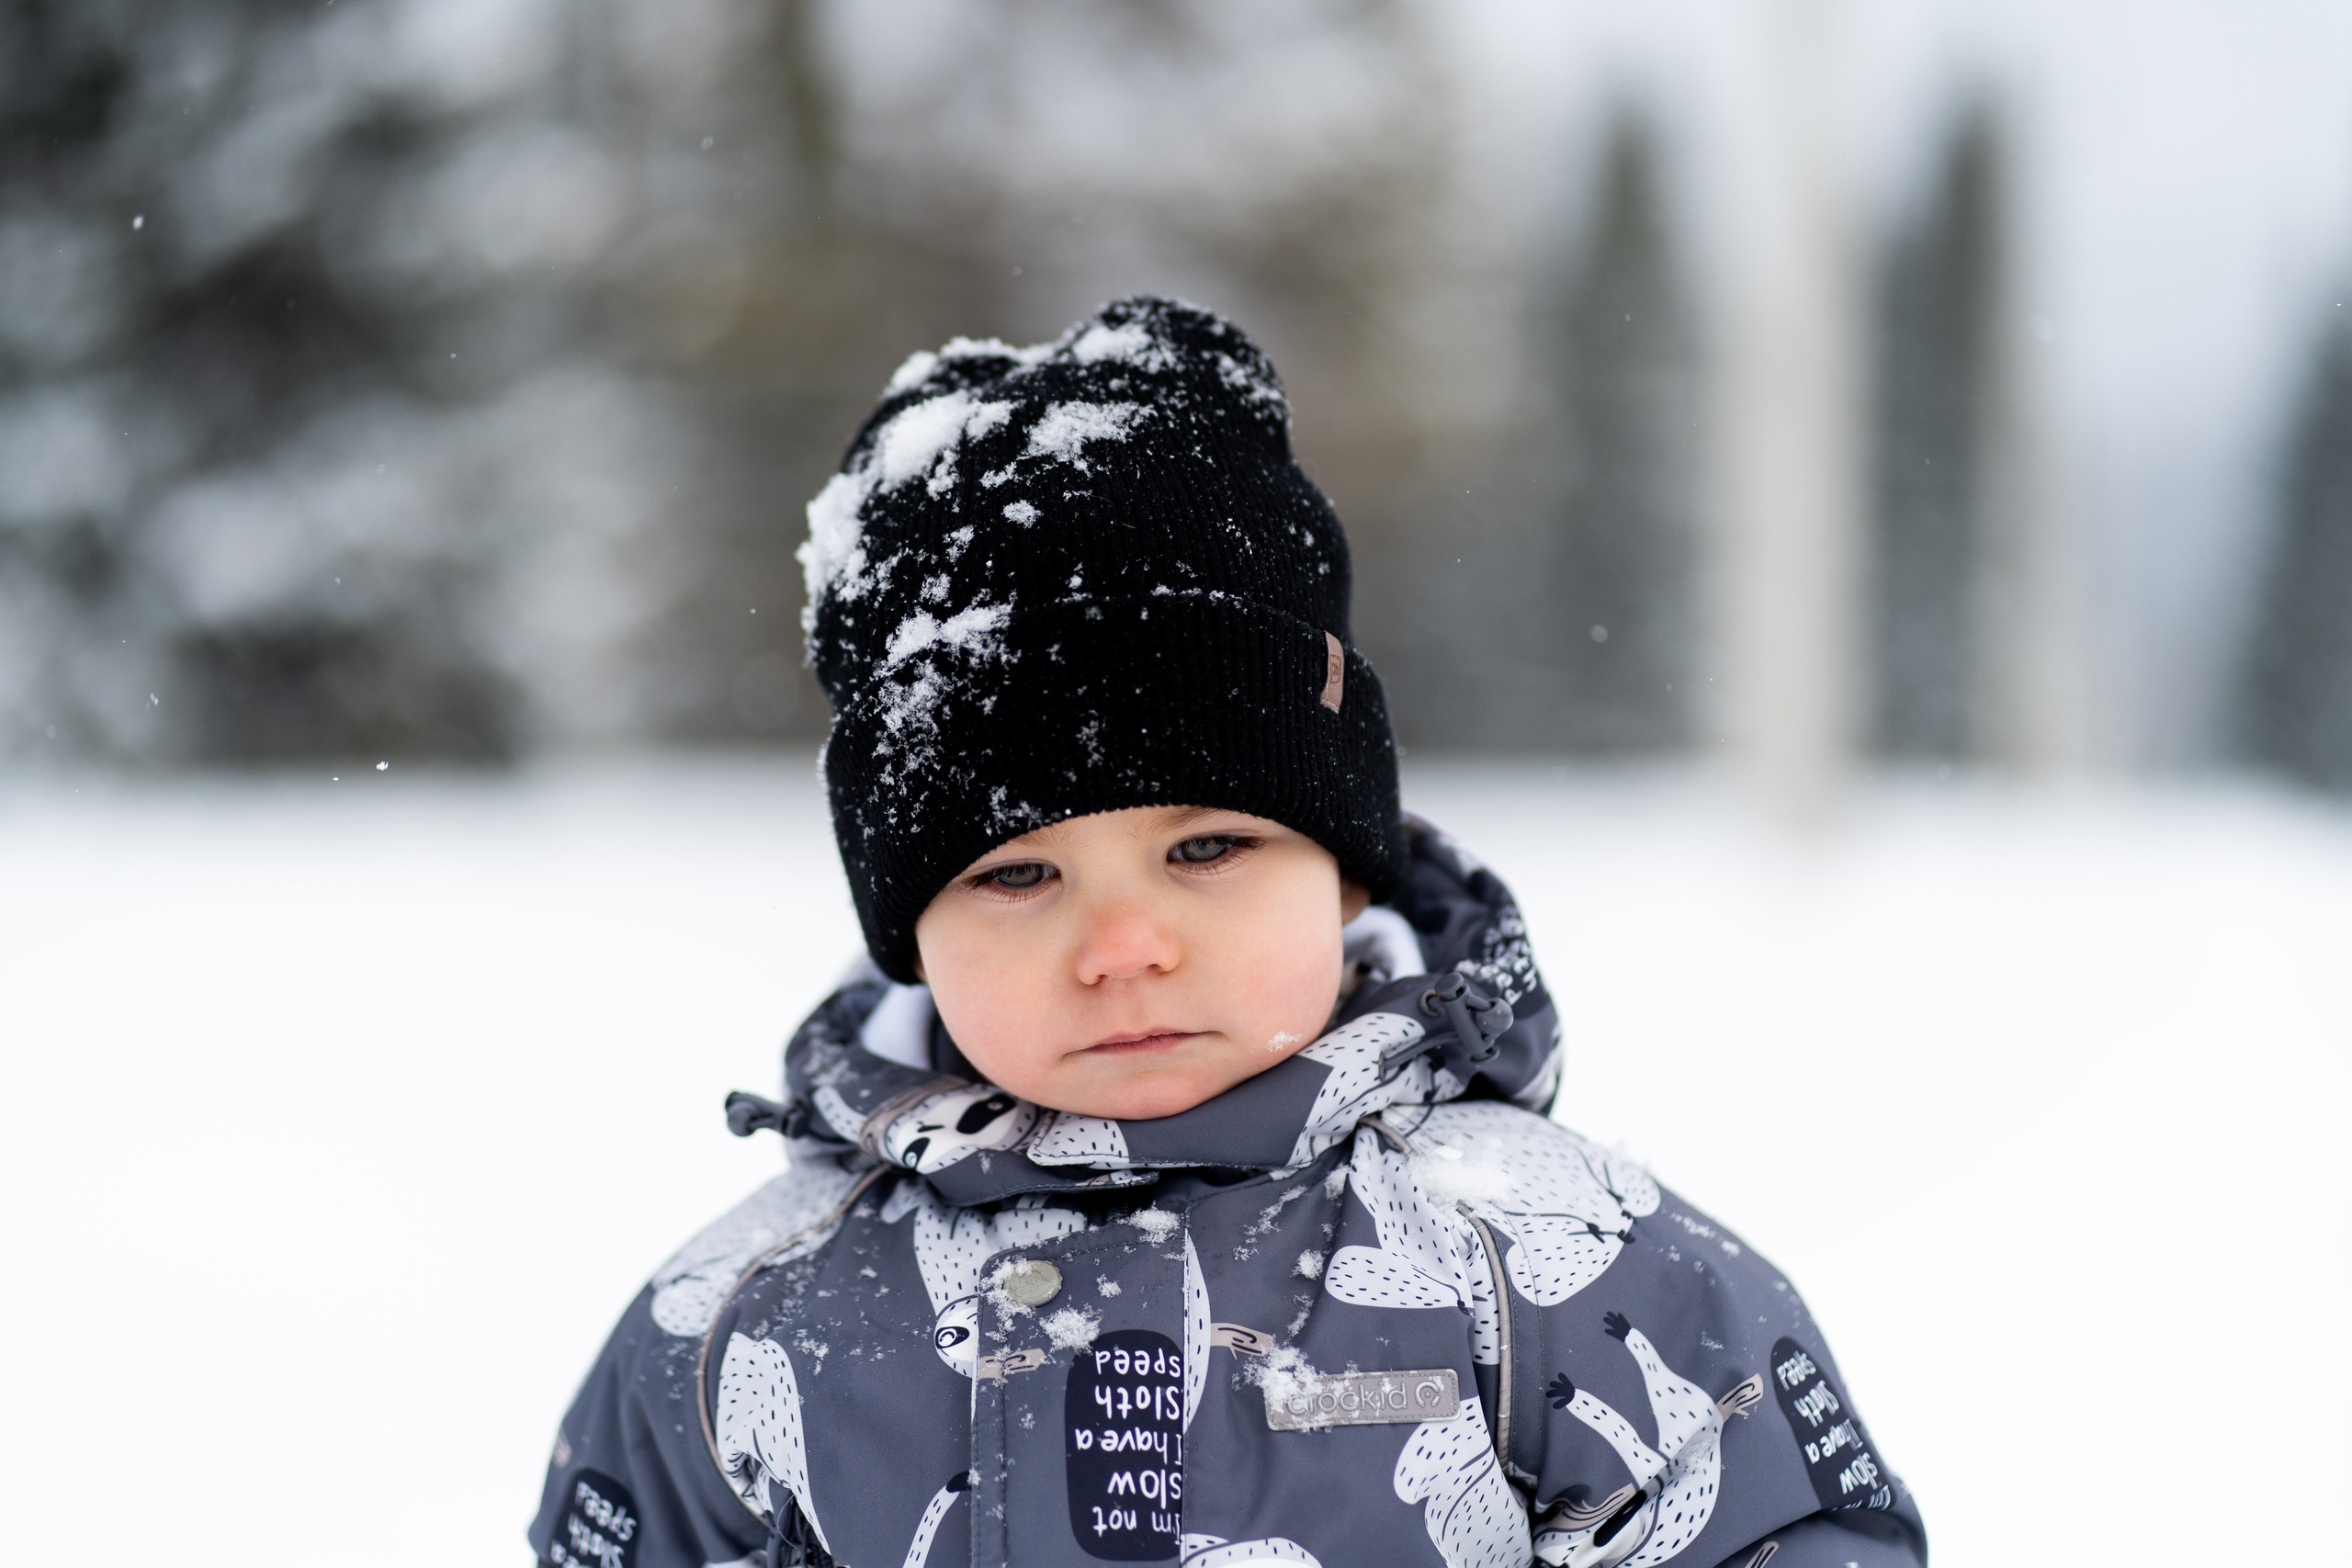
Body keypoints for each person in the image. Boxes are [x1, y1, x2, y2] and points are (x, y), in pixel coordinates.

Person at [528, 297, 1928, 1568]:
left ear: (1347, 880)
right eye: (1018, 878)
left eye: (1208, 847)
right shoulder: (740, 1324)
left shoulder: (1560, 1266)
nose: (1125, 945)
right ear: (910, 933)